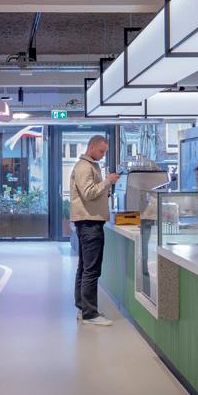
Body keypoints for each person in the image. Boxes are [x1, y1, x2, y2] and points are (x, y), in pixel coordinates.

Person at [69, 135, 119, 326]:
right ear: (91, 147)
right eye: (101, 151)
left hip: (89, 222)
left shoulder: (90, 166)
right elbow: (89, 193)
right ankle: (90, 314)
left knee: (85, 268)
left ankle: (84, 309)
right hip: (89, 223)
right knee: (91, 270)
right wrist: (108, 182)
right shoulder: (84, 167)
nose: (103, 154)